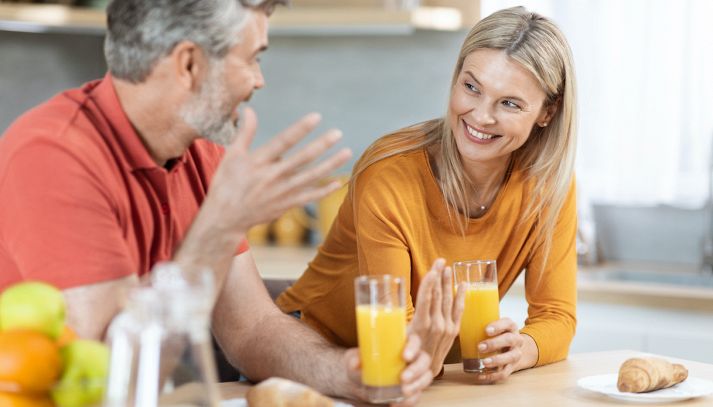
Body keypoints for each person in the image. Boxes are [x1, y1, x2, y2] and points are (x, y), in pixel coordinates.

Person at [0, 0, 438, 403]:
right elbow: (115, 378)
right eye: (253, 58)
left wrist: (341, 373)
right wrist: (219, 228)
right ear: (189, 64)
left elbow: (252, 330)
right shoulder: (53, 155)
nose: (259, 80)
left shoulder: (201, 154)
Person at [277, 5, 578, 383]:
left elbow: (556, 316)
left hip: (422, 377)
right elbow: (396, 343)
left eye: (510, 103)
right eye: (471, 87)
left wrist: (524, 348)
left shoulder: (548, 187)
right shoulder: (391, 173)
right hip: (311, 355)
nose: (481, 116)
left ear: (547, 112)